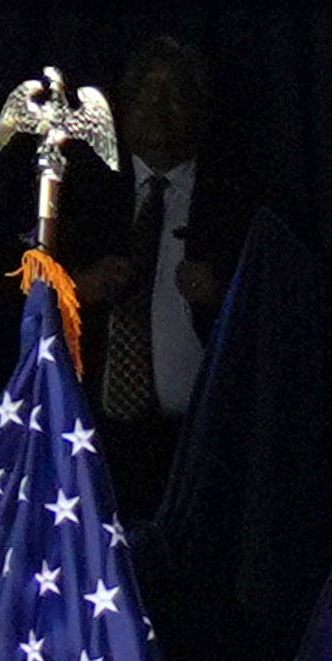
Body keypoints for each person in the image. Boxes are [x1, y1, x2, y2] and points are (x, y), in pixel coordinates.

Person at [67, 37, 244, 520]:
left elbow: (279, 317)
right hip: (95, 439)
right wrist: (77, 289)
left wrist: (222, 293)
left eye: (174, 95)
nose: (158, 108)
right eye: (145, 94)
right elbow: (18, 294)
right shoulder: (83, 193)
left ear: (199, 109)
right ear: (122, 109)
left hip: (200, 448)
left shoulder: (237, 203)